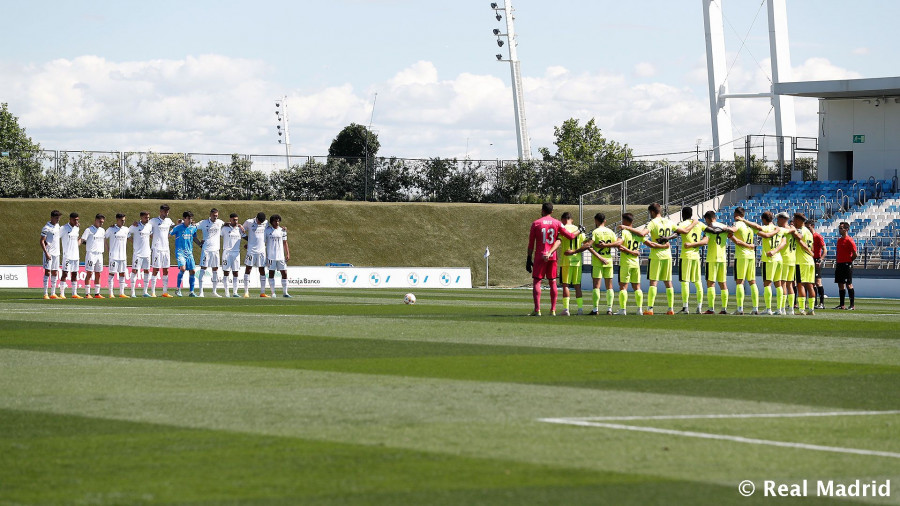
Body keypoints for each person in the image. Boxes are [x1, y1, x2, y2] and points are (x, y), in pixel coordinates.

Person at [620, 203, 676, 315]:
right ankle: (671, 309)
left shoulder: (652, 222)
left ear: (652, 212)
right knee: (668, 282)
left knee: (653, 282)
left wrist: (626, 227)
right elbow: (678, 232)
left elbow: (642, 233)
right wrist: (668, 239)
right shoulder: (669, 221)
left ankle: (650, 309)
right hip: (668, 255)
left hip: (656, 256)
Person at [526, 202, 578, 316]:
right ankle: (553, 310)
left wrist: (528, 258)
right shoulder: (557, 223)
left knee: (537, 281)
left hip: (540, 255)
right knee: (553, 282)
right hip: (552, 256)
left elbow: (531, 244)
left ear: (542, 210)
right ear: (552, 211)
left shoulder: (536, 223)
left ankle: (537, 310)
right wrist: (580, 230)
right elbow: (570, 236)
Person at [572, 212, 620, 315]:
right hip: (609, 261)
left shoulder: (595, 232)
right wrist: (607, 245)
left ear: (596, 220)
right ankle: (609, 309)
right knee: (609, 286)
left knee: (596, 286)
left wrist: (576, 250)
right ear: (605, 221)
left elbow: (588, 245)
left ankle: (595, 309)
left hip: (597, 262)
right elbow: (617, 243)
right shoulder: (610, 232)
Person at [737, 211, 785, 315]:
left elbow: (757, 228)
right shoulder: (779, 229)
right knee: (778, 284)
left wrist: (743, 220)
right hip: (779, 259)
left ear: (763, 219)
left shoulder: (765, 228)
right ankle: (779, 309)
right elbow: (784, 241)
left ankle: (768, 309)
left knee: (767, 284)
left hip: (769, 259)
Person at [686, 211, 731, 314]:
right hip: (722, 259)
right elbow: (731, 233)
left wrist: (691, 244)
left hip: (712, 259)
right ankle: (724, 309)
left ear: (709, 219)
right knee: (723, 284)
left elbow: (705, 242)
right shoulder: (724, 227)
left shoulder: (710, 228)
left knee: (711, 283)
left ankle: (711, 308)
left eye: (706, 220)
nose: (706, 223)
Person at [729, 207, 759, 315]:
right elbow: (759, 229)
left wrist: (730, 234)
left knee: (739, 281)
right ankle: (755, 308)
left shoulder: (738, 224)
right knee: (752, 282)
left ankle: (740, 308)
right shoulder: (749, 225)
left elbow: (732, 231)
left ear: (736, 215)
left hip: (741, 255)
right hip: (751, 255)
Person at [675, 207, 704, 314]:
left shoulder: (682, 224)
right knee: (698, 282)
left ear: (683, 214)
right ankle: (699, 307)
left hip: (686, 256)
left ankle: (685, 307)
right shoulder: (699, 224)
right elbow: (708, 230)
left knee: (685, 282)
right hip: (696, 256)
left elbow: (675, 233)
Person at [557, 212, 587, 316]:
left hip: (566, 261)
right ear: (572, 219)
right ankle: (580, 309)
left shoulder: (562, 229)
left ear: (562, 219)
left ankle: (566, 309)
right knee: (577, 286)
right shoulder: (579, 230)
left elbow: (559, 241)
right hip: (577, 261)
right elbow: (586, 244)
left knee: (565, 285)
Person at [615, 213, 643, 315]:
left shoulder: (624, 232)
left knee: (623, 287)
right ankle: (639, 309)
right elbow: (646, 241)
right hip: (636, 263)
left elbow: (618, 244)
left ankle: (623, 310)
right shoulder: (637, 233)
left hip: (626, 263)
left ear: (625, 221)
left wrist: (628, 250)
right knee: (637, 287)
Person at [196, 208, 225, 297]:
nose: (215, 217)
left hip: (216, 250)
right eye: (214, 215)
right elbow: (194, 227)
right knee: (203, 269)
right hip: (206, 250)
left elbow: (228, 224)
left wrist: (239, 225)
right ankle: (201, 292)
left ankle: (214, 291)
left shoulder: (220, 222)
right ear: (210, 214)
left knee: (215, 270)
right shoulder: (203, 223)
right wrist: (198, 242)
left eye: (217, 215)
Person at [170, 211, 200, 297]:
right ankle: (178, 289)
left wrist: (200, 244)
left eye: (191, 218)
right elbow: (169, 234)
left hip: (189, 252)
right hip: (180, 252)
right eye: (188, 218)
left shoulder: (193, 228)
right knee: (182, 269)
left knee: (193, 271)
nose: (190, 220)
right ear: (184, 219)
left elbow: (194, 238)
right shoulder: (178, 227)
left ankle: (191, 292)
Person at [792, 213, 816, 315]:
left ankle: (801, 309)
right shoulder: (809, 232)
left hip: (801, 261)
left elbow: (799, 237)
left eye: (794, 219)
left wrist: (793, 231)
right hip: (810, 261)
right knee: (810, 285)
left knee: (800, 285)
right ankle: (811, 309)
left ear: (798, 220)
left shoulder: (801, 230)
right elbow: (813, 247)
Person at [149, 204, 175, 298]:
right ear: (160, 211)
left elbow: (174, 228)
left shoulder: (169, 221)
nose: (166, 213)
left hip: (166, 248)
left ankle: (165, 292)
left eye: (167, 211)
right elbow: (147, 230)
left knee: (166, 270)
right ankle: (153, 292)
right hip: (157, 248)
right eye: (165, 211)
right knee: (155, 269)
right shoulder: (153, 221)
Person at [243, 212, 270, 298]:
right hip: (251, 251)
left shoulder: (266, 223)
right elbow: (241, 231)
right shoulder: (249, 222)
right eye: (259, 221)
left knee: (262, 271)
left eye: (262, 221)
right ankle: (246, 292)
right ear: (256, 218)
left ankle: (262, 292)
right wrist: (249, 240)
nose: (260, 223)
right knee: (248, 269)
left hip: (262, 251)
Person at [776, 212, 798, 315]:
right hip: (792, 259)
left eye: (778, 219)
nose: (777, 221)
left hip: (784, 259)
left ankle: (782, 308)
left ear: (782, 219)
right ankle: (791, 309)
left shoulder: (783, 230)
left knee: (783, 284)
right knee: (790, 285)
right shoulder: (793, 229)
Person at [265, 214, 292, 298]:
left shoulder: (282, 230)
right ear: (271, 222)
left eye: (278, 221)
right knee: (271, 273)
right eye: (275, 221)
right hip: (271, 256)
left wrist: (287, 253)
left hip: (281, 256)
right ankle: (273, 293)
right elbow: (262, 242)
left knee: (284, 273)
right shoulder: (267, 230)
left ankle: (285, 292)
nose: (277, 222)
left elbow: (285, 242)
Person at [128, 211, 153, 297]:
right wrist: (133, 241)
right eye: (146, 217)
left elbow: (151, 235)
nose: (147, 219)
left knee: (147, 271)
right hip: (138, 253)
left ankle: (145, 292)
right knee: (135, 271)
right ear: (141, 217)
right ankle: (132, 292)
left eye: (148, 217)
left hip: (147, 252)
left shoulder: (149, 226)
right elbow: (127, 233)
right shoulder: (135, 226)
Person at [81, 214, 106, 298]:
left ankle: (97, 293)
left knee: (98, 273)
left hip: (99, 254)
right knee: (89, 273)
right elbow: (82, 239)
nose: (101, 223)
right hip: (91, 254)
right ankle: (87, 293)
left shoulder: (102, 230)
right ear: (96, 220)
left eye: (102, 222)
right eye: (100, 221)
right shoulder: (89, 230)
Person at [105, 213, 131, 298]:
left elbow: (130, 238)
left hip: (123, 256)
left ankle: (121, 293)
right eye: (121, 220)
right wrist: (108, 249)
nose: (123, 222)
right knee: (112, 273)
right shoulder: (111, 229)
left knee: (122, 273)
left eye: (124, 220)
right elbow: (104, 238)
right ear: (117, 220)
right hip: (114, 256)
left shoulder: (126, 229)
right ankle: (111, 293)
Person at [834, 221, 857, 310]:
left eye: (841, 228)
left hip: (847, 264)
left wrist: (849, 260)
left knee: (849, 284)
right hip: (839, 264)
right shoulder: (839, 240)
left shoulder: (849, 240)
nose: (840, 230)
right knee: (840, 284)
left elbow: (855, 254)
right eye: (839, 228)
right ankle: (842, 304)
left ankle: (852, 305)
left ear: (846, 229)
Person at [221, 213, 244, 297]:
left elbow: (246, 237)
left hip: (236, 253)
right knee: (226, 272)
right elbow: (217, 235)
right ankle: (227, 292)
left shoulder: (240, 229)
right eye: (234, 220)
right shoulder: (225, 229)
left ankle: (235, 292)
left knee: (236, 273)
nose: (236, 221)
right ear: (230, 219)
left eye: (237, 220)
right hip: (227, 253)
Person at [40, 210, 62, 299]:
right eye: (56, 218)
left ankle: (53, 293)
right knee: (47, 272)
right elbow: (41, 241)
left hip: (56, 253)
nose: (58, 220)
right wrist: (46, 253)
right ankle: (45, 293)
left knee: (55, 272)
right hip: (49, 253)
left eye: (59, 218)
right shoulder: (46, 228)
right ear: (51, 218)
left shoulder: (58, 226)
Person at [60, 212, 82, 299]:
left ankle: (74, 293)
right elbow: (56, 237)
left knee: (75, 274)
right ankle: (62, 293)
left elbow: (77, 240)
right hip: (67, 255)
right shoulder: (64, 228)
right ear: (70, 219)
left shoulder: (77, 228)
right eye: (74, 220)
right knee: (65, 273)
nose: (76, 221)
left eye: (77, 219)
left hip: (75, 255)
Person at [808, 220, 827, 309]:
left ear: (813, 226)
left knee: (818, 282)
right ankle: (814, 302)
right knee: (811, 283)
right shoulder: (807, 236)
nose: (807, 229)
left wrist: (819, 260)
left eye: (808, 227)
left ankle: (822, 303)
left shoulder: (817, 236)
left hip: (815, 260)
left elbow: (825, 250)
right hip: (809, 260)